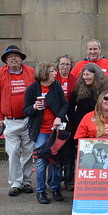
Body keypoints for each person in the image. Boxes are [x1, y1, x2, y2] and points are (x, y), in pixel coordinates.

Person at [0, 45, 36, 197]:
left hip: (29, 119)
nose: (14, 58)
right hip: (10, 121)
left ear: (21, 58)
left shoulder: (31, 72)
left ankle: (27, 181)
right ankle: (16, 183)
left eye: (16, 55)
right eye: (10, 57)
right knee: (14, 152)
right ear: (6, 60)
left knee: (28, 151)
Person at [24, 62, 68, 204]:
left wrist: (58, 117)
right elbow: (26, 110)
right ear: (44, 73)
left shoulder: (56, 86)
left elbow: (64, 105)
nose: (55, 73)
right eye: (52, 71)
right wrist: (34, 107)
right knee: (42, 161)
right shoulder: (32, 89)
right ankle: (41, 191)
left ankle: (55, 188)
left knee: (55, 160)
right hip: (40, 131)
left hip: (54, 130)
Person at [54, 54, 76, 190]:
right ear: (58, 66)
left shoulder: (74, 80)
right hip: (55, 118)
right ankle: (54, 180)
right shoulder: (53, 78)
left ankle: (69, 181)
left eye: (68, 64)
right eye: (62, 64)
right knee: (55, 151)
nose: (65, 67)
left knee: (69, 152)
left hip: (70, 119)